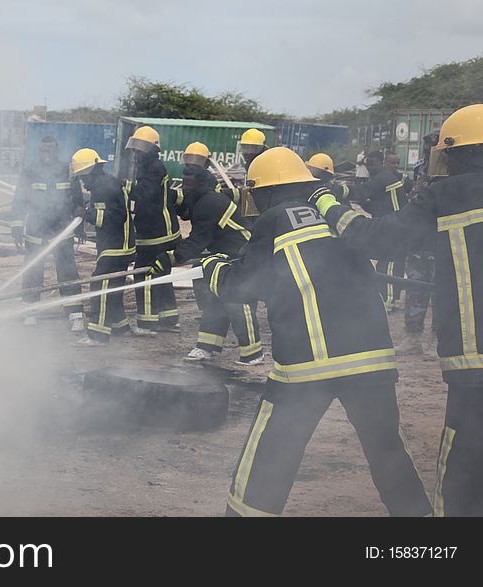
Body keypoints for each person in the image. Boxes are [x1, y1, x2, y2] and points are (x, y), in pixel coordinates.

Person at [194, 147, 431, 517]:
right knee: (387, 451)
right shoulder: (337, 214)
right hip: (372, 360)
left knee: (272, 452)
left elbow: (241, 286)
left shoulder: (272, 218)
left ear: (265, 190)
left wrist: (211, 266)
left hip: (307, 366)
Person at [310, 104, 483, 515]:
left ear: (457, 152)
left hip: (476, 366)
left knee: (464, 472)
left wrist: (328, 205)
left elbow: (379, 241)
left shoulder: (450, 193)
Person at [150, 142, 263, 365]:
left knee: (237, 299)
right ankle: (206, 347)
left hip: (242, 253)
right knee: (214, 298)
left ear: (200, 183)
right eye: (183, 182)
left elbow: (197, 241)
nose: (185, 187)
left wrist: (170, 258)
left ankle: (253, 353)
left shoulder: (209, 203)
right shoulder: (203, 200)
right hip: (223, 254)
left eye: (188, 183)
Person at [10, 136, 84, 329]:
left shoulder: (67, 171)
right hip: (36, 230)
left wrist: (80, 226)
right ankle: (30, 310)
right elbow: (19, 201)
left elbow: (78, 201)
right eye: (43, 150)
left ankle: (74, 313)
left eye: (50, 150)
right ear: (39, 151)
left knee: (68, 272)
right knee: (33, 271)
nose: (46, 154)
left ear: (56, 150)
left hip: (62, 231)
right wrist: (16, 227)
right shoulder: (29, 172)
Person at [70, 148, 137, 347]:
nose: (83, 184)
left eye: (83, 178)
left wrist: (86, 214)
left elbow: (117, 218)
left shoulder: (104, 187)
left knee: (100, 287)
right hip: (118, 245)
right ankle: (120, 326)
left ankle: (97, 335)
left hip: (115, 247)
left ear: (90, 172)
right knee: (113, 288)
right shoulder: (106, 182)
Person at [125, 126, 181, 333]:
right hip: (158, 230)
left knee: (144, 274)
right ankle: (169, 319)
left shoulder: (155, 168)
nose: (136, 153)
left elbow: (144, 194)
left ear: (152, 149)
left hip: (156, 232)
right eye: (135, 148)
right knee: (161, 274)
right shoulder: (150, 166)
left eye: (141, 148)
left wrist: (123, 188)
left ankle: (147, 323)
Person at [397, 132, 441, 355]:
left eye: (431, 147)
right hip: (417, 239)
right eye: (425, 148)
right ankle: (412, 337)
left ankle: (437, 340)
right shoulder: (420, 168)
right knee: (415, 287)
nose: (427, 151)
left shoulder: (450, 171)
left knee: (440, 291)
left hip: (440, 238)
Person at [355, 150, 411, 311]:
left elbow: (361, 191)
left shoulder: (382, 179)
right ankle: (390, 299)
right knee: (391, 265)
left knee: (389, 266)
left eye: (373, 163)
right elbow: (377, 206)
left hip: (392, 229)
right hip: (393, 227)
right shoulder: (387, 178)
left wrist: (338, 191)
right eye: (368, 164)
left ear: (382, 163)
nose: (370, 167)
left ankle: (388, 302)